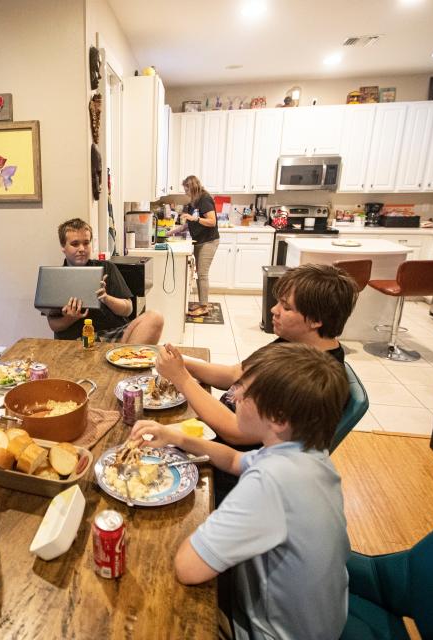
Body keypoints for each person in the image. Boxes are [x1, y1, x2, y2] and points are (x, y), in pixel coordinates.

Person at [130, 343, 350, 639]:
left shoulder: (270, 483)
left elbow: (188, 567)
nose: (234, 396)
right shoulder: (306, 452)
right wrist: (176, 437)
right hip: (322, 617)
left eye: (244, 394)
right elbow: (235, 459)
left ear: (279, 418)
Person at [157, 263, 357, 447]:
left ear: (315, 320)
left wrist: (181, 378)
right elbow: (234, 374)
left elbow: (236, 432)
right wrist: (181, 361)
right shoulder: (294, 342)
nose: (273, 310)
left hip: (232, 463)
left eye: (286, 307)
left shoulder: (311, 376)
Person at [47, 218, 163, 344]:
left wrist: (106, 298)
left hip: (114, 333)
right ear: (63, 247)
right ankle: (123, 355)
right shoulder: (55, 279)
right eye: (75, 244)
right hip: (79, 339)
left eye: (86, 243)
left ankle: (123, 355)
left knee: (155, 318)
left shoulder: (107, 268)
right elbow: (54, 325)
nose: (82, 248)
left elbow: (128, 309)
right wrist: (70, 318)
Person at [174, 175, 219, 317]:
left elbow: (212, 221)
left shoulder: (204, 199)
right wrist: (173, 231)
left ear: (192, 187)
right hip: (199, 241)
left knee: (202, 274)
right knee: (200, 274)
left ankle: (204, 307)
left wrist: (196, 218)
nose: (185, 192)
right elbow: (189, 223)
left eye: (186, 189)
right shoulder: (193, 202)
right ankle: (201, 303)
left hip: (208, 241)